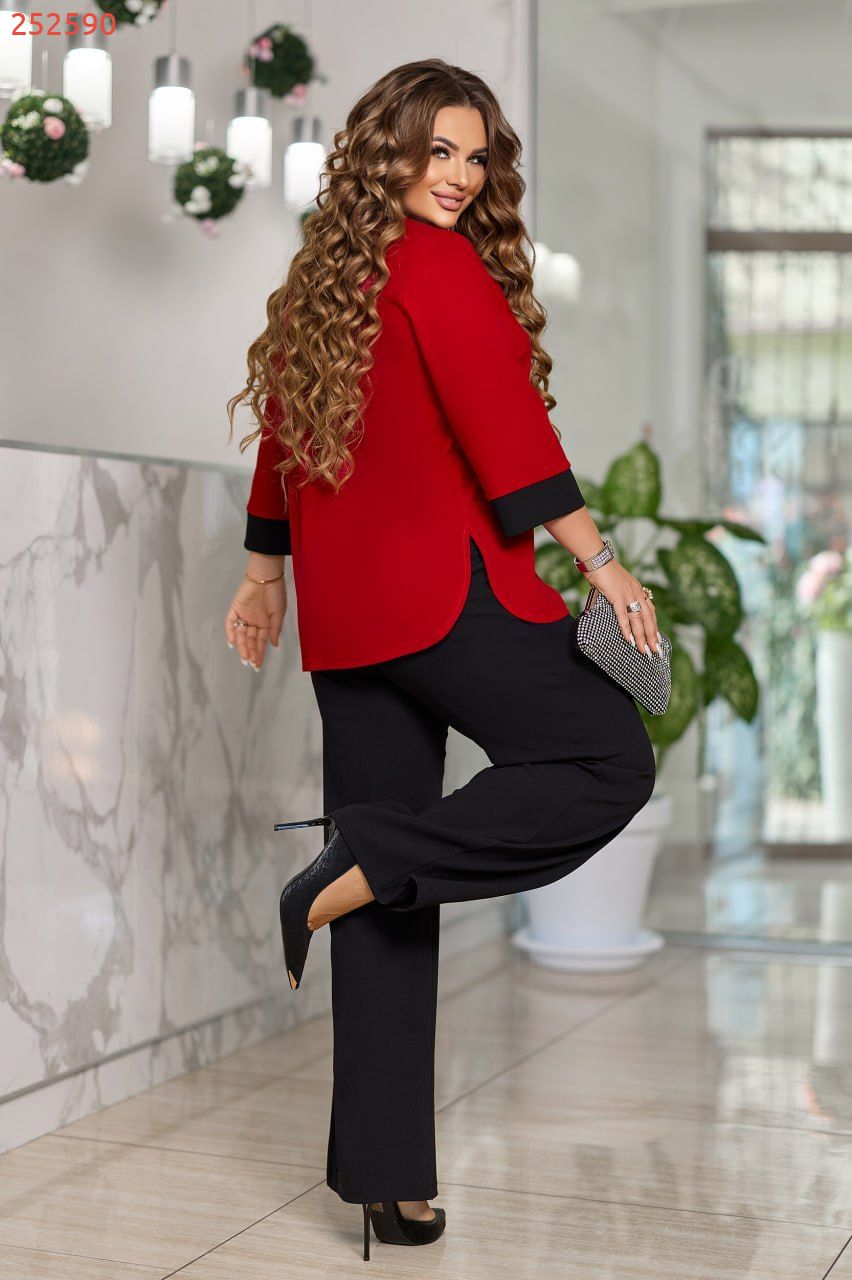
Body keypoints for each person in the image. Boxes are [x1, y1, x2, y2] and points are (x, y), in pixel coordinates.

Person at [224, 57, 659, 1262]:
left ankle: (388, 1181)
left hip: (349, 621)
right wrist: (603, 562)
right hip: (445, 593)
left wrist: (264, 574)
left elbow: (282, 437)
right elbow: (506, 426)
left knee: (384, 882)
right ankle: (358, 861)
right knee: (606, 759)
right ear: (391, 150)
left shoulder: (328, 276)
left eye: (477, 157)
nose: (460, 176)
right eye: (440, 151)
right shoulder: (439, 266)